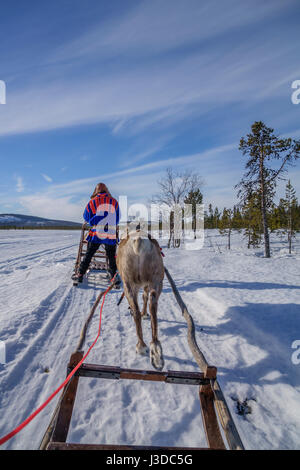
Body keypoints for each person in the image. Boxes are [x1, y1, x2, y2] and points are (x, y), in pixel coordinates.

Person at [72, 183, 121, 286]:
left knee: (89, 254)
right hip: (110, 234)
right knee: (111, 256)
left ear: (96, 191)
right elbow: (116, 219)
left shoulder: (92, 202)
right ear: (107, 190)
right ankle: (114, 276)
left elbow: (86, 217)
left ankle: (80, 274)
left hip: (96, 234)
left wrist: (94, 220)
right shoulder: (114, 202)